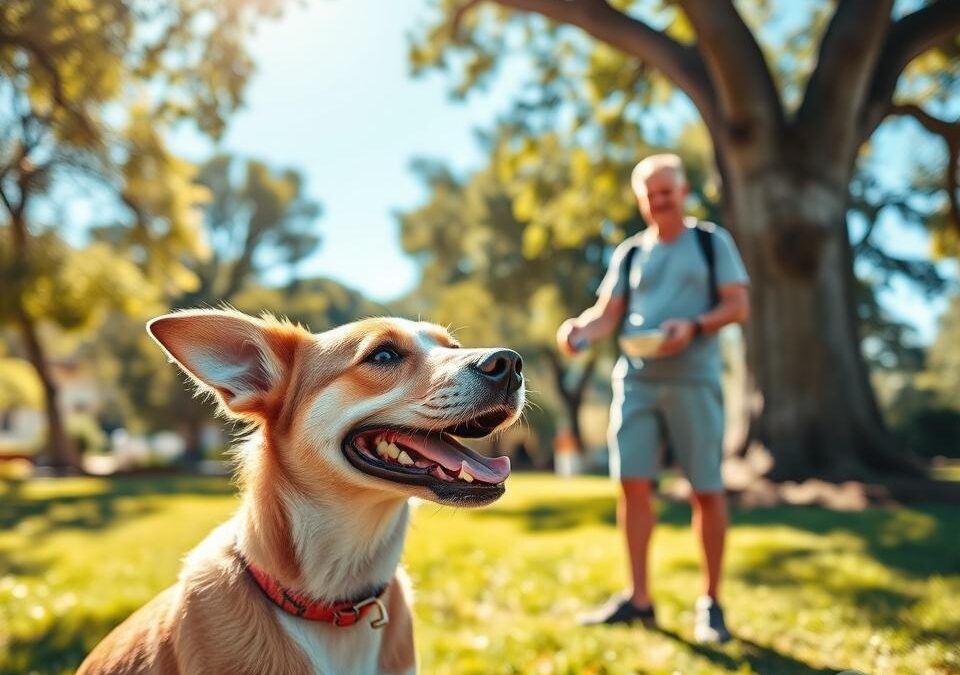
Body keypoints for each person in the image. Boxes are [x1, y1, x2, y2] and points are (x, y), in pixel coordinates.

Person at [556, 153, 750, 644]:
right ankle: (639, 600)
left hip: (695, 378)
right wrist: (579, 330)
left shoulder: (710, 243)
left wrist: (696, 324)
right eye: (650, 194)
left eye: (668, 191)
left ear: (684, 192)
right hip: (637, 380)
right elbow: (607, 314)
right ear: (641, 200)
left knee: (706, 487)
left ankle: (711, 604)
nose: (659, 201)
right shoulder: (630, 253)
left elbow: (738, 304)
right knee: (633, 485)